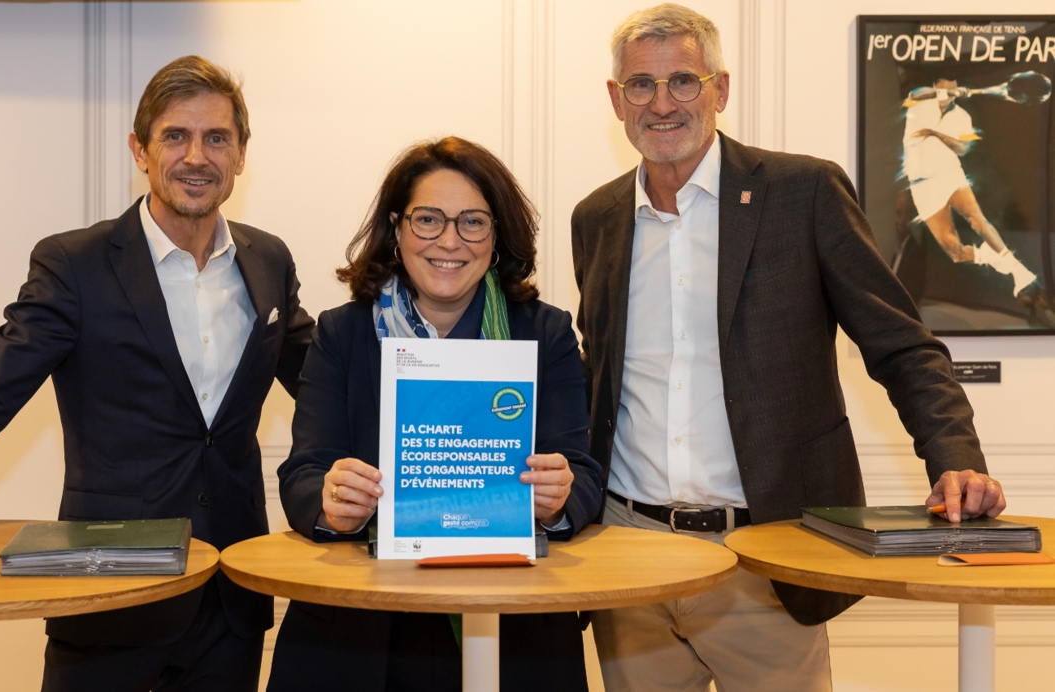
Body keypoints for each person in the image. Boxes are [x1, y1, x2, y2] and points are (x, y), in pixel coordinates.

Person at [0, 55, 314, 692]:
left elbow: (325, 379)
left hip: (229, 603)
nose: (196, 156)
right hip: (107, 598)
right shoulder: (77, 264)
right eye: (175, 136)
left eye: (217, 138)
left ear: (240, 154)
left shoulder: (269, 261)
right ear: (140, 149)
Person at [571, 5, 1007, 691]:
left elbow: (902, 345)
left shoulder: (802, 193)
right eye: (640, 86)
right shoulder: (596, 219)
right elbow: (594, 376)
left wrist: (956, 460)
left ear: (721, 89)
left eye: (683, 80)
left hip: (762, 559)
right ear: (614, 98)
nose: (662, 104)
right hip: (630, 556)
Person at [269, 136, 602, 692]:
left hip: (513, 629)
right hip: (364, 630)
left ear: (497, 237)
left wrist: (560, 497)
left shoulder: (544, 333)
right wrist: (329, 500)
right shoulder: (343, 333)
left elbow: (582, 472)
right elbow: (303, 473)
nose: (449, 240)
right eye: (428, 219)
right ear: (396, 230)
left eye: (473, 221)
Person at [902, 78, 1053, 326]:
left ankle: (1019, 271)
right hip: (922, 184)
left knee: (977, 220)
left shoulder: (962, 116)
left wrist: (936, 133)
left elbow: (962, 148)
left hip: (949, 173)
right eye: (942, 85)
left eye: (951, 85)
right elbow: (915, 92)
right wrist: (940, 95)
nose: (946, 87)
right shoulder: (919, 103)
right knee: (955, 252)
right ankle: (995, 259)